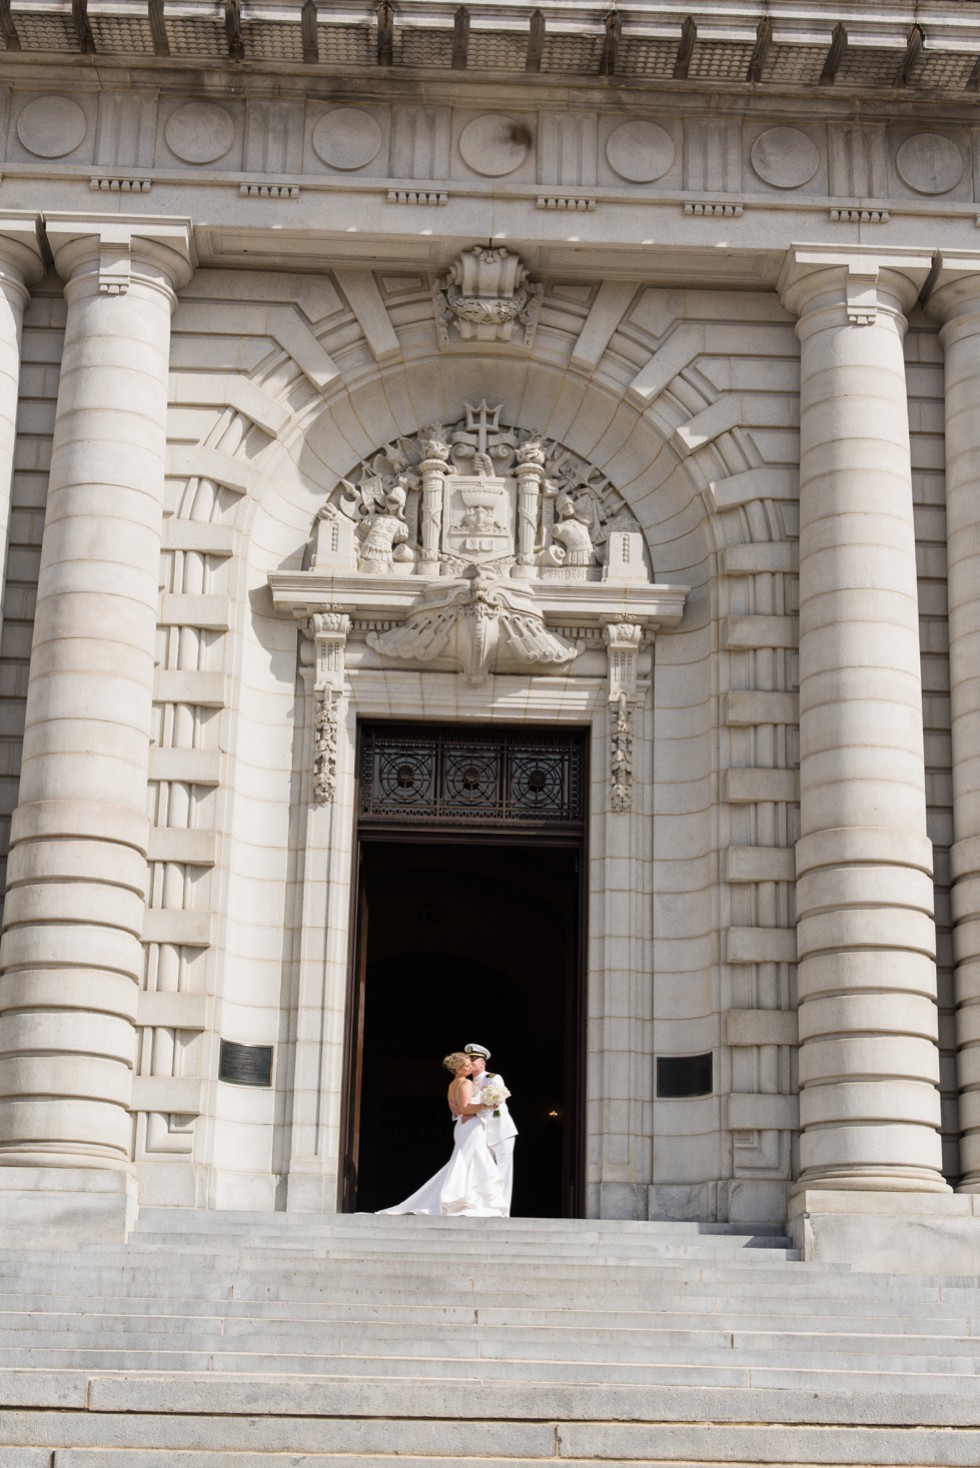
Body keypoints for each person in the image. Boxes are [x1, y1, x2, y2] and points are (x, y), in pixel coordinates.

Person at [377, 1052, 507, 1217]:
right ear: (459, 1068)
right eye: (467, 1065)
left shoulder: (452, 1084)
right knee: (469, 1160)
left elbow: (455, 1110)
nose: (470, 1067)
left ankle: (466, 1198)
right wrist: (487, 1104)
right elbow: (464, 1108)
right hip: (471, 1126)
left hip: (461, 1125)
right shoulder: (465, 1083)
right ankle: (459, 1199)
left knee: (468, 1160)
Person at [464, 1043, 518, 1216]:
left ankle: (503, 1211)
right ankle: (485, 1208)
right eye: (469, 1059)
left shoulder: (493, 1078)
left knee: (503, 1171)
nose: (471, 1062)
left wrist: (474, 1105)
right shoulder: (467, 1083)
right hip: (480, 1131)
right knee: (484, 1171)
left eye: (475, 1059)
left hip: (501, 1129)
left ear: (483, 1063)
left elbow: (496, 1102)